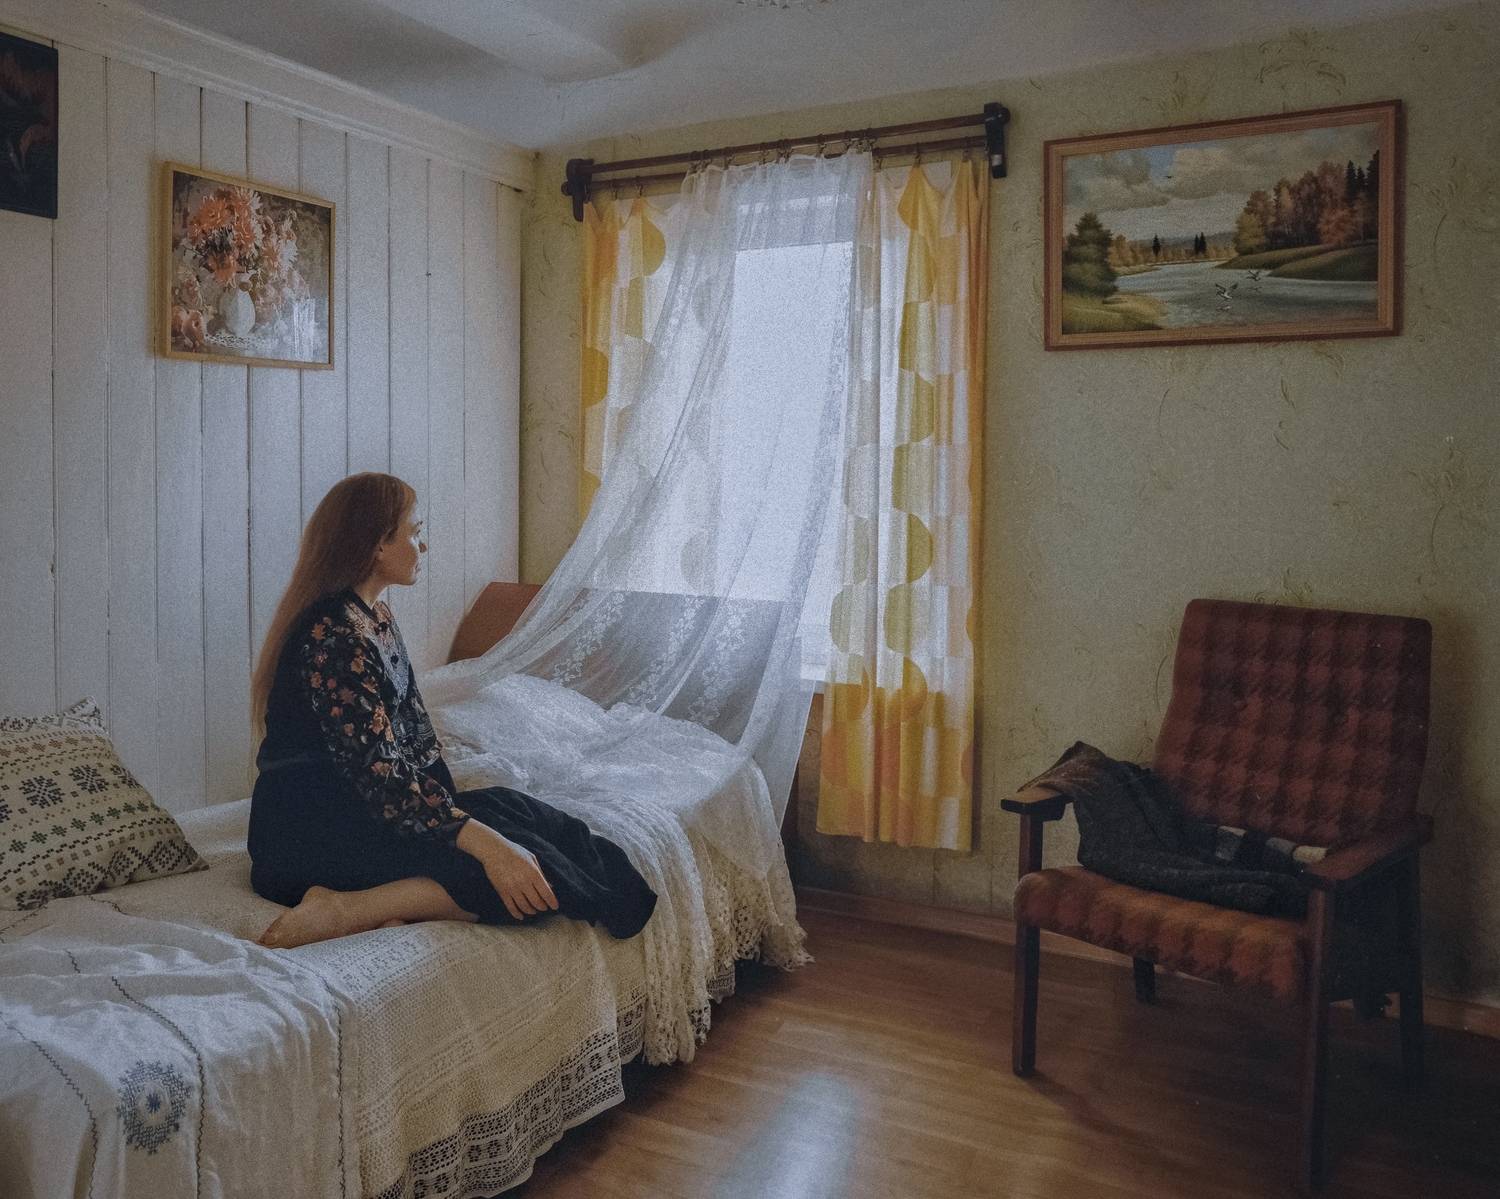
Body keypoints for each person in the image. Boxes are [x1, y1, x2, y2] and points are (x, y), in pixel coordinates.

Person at [247, 472, 656, 949]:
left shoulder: (374, 616)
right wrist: (480, 841)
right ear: (378, 545)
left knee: (529, 819)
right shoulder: (334, 638)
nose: (423, 546)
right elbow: (381, 774)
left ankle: (403, 895)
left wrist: (462, 821)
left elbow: (414, 739)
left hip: (366, 813)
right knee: (524, 877)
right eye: (415, 532)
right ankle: (347, 908)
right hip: (309, 837)